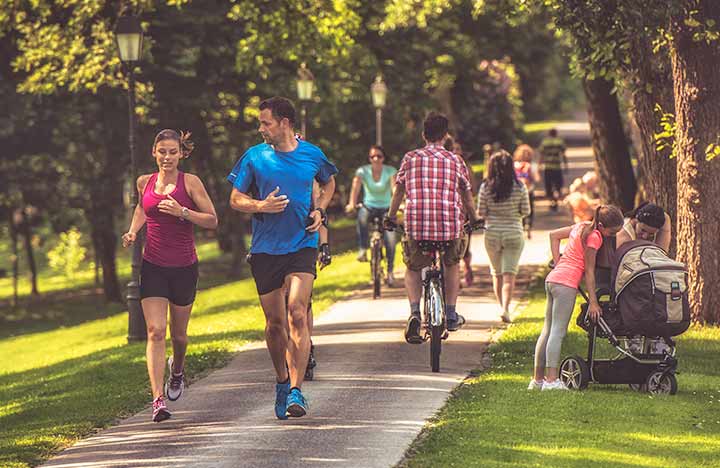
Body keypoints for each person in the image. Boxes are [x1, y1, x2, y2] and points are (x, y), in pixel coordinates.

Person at [228, 96, 337, 419]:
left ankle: (296, 390)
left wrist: (320, 210)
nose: (262, 129)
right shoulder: (254, 157)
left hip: (302, 243)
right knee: (275, 325)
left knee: (297, 311)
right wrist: (260, 206)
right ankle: (281, 379)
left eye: (266, 123)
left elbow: (329, 183)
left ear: (285, 123)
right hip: (265, 250)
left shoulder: (311, 154)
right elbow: (235, 198)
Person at [122, 129, 218, 422]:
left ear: (181, 154)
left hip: (184, 268)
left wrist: (182, 211)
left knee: (179, 335)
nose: (166, 157)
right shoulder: (144, 182)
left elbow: (213, 220)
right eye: (162, 151)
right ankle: (157, 400)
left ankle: (177, 370)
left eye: (172, 152)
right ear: (154, 152)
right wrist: (133, 231)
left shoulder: (190, 183)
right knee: (155, 331)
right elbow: (142, 208)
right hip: (153, 266)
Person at [385, 112, 480, 342]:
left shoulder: (410, 158)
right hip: (449, 226)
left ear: (423, 135)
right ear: (445, 135)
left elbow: (398, 191)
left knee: (413, 267)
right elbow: (467, 196)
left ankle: (415, 312)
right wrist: (474, 219)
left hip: (417, 225)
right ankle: (450, 312)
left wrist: (390, 217)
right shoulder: (455, 160)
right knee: (452, 263)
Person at [529, 205, 624, 391]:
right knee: (558, 332)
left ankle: (537, 380)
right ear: (602, 226)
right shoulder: (595, 237)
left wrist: (557, 263)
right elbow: (589, 272)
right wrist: (594, 303)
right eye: (612, 232)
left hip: (553, 280)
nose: (612, 236)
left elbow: (553, 235)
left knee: (547, 331)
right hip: (566, 284)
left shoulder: (580, 226)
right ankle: (551, 381)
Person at [477, 150, 531, 323]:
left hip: (492, 233)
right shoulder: (520, 186)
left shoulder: (485, 187)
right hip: (514, 233)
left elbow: (481, 212)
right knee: (509, 274)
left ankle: (501, 307)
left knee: (497, 274)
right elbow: (526, 211)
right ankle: (506, 309)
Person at [345, 145, 398, 286]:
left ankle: (390, 271)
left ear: (383, 158)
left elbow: (395, 189)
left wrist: (400, 204)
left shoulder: (390, 171)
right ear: (369, 158)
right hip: (369, 206)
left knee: (391, 240)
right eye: (372, 156)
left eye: (379, 156)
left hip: (387, 208)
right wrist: (351, 203)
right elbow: (356, 187)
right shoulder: (362, 171)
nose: (375, 159)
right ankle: (363, 249)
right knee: (361, 217)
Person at [452, 140, 478, 286]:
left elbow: (473, 190)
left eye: (458, 149)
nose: (456, 151)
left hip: (464, 212)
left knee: (464, 245)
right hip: (449, 212)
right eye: (453, 149)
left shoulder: (466, 168)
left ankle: (467, 266)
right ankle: (454, 276)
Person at [513, 144, 540, 239]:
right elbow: (536, 178)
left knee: (519, 209)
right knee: (530, 209)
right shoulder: (532, 165)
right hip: (529, 190)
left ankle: (522, 225)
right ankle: (529, 225)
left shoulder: (514, 165)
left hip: (517, 191)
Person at [538, 128, 568, 211]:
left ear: (549, 134)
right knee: (558, 185)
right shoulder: (560, 142)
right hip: (557, 167)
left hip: (548, 167)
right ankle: (556, 199)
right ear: (556, 133)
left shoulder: (545, 142)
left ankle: (552, 199)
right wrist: (565, 165)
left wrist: (539, 166)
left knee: (548, 185)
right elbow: (563, 155)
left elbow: (541, 155)